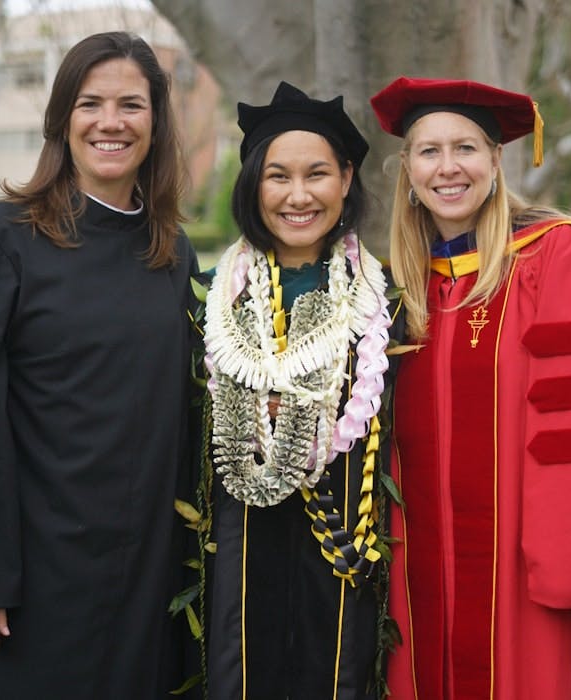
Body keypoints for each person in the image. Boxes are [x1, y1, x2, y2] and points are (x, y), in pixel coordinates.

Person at [369, 77, 571, 700]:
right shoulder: (396, 291)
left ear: (496, 160)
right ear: (407, 169)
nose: (448, 168)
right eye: (429, 151)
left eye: (465, 148)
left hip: (537, 595)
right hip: (417, 593)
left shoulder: (559, 257)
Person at [0, 31, 198, 699]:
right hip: (26, 588)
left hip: (142, 581)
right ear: (62, 119)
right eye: (91, 103)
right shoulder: (0, 244)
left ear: (156, 121)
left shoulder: (172, 257)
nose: (110, 122)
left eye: (131, 105)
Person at [199, 81, 396, 699]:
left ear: (345, 180)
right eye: (277, 176)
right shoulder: (208, 300)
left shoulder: (387, 303)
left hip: (343, 548)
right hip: (236, 542)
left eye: (317, 174)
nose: (298, 195)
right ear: (253, 185)